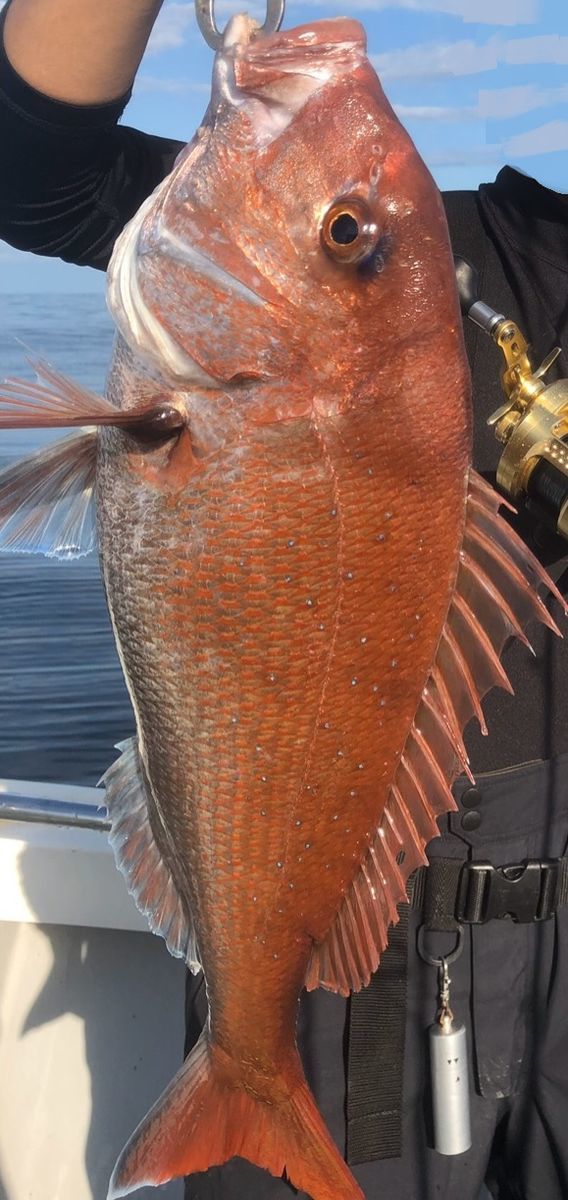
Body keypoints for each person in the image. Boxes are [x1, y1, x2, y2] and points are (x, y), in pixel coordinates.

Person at [1, 3, 568, 1198]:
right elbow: (33, 171)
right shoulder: (425, 270)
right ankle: (244, 1069)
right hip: (360, 978)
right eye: (348, 228)